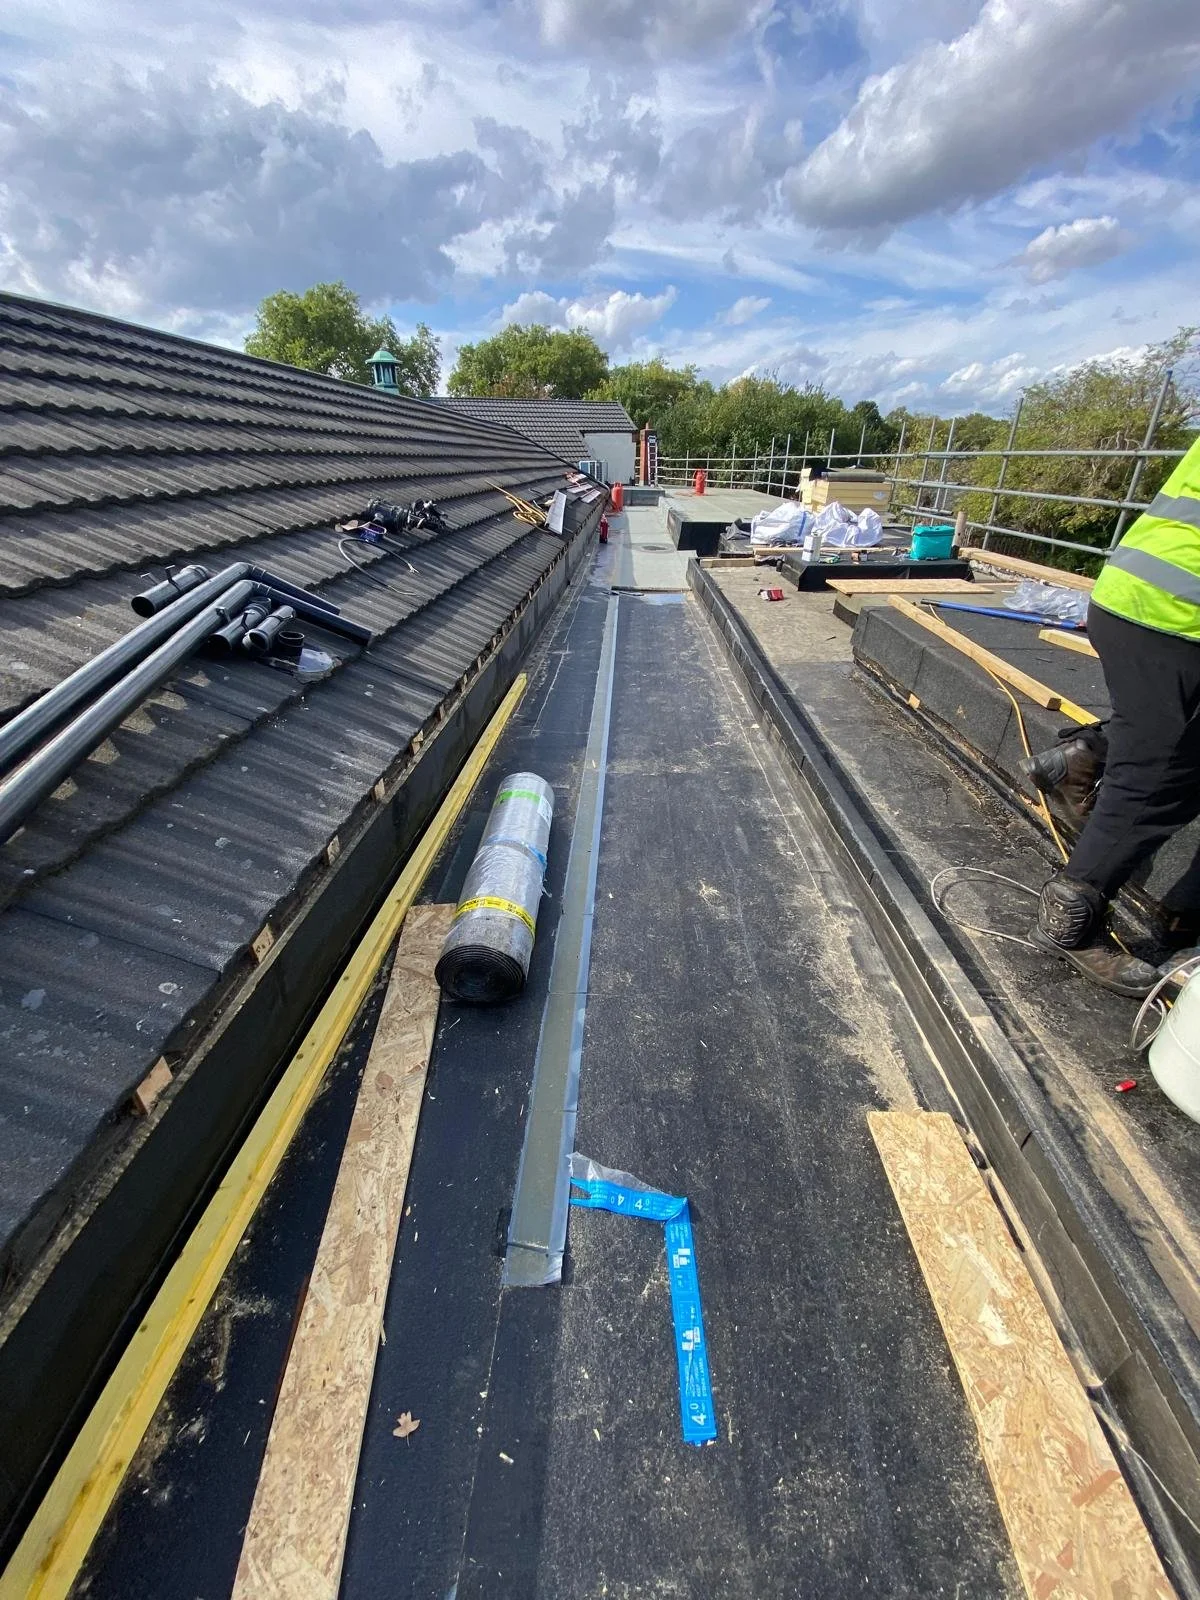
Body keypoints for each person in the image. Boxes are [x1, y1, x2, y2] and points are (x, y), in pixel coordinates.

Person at [1032, 433, 1200, 996]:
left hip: (1138, 592)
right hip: (1178, 616)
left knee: (1160, 741)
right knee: (1161, 777)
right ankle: (1073, 919)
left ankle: (1079, 760)